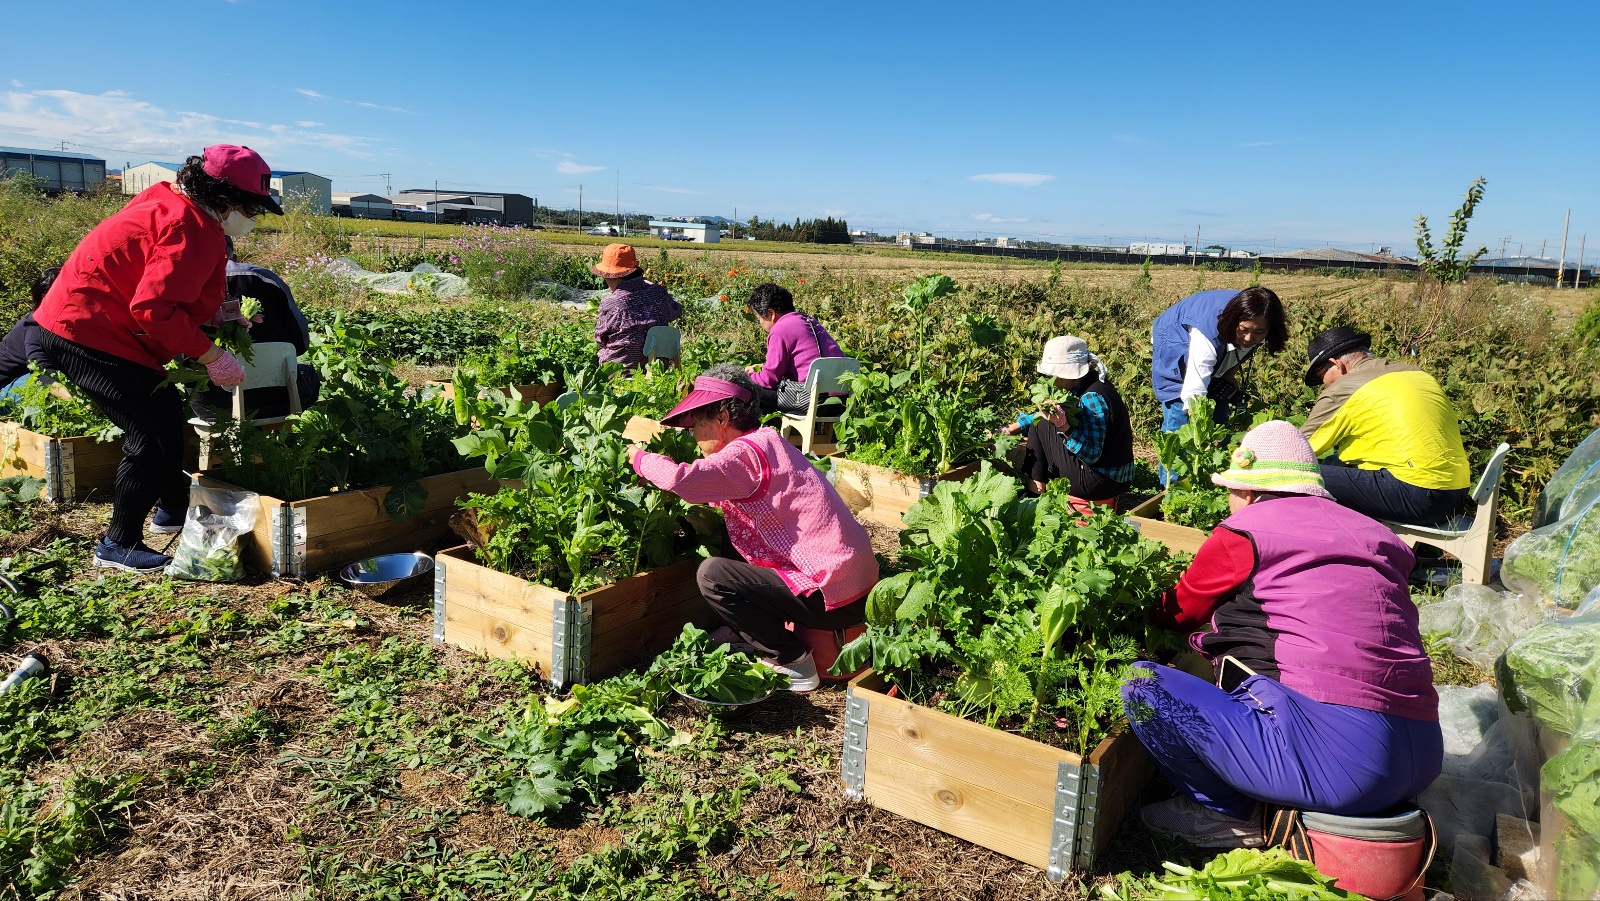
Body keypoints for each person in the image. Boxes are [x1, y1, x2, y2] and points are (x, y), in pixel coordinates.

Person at [1124, 421, 1441, 849]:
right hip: (1422, 758)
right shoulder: (1374, 534)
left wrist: (1130, 609)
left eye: (1230, 491)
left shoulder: (1245, 532)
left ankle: (1226, 815)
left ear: (1248, 492)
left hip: (1343, 770)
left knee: (1142, 685)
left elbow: (1180, 612)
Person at [33, 144, 280, 573]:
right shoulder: (192, 227)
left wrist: (216, 311)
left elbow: (158, 278)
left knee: (164, 416)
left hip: (88, 321)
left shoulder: (170, 200)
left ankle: (170, 509)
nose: (253, 217)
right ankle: (118, 544)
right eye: (250, 207)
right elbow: (152, 309)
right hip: (90, 331)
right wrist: (211, 355)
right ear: (224, 197)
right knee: (148, 433)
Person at [631, 364, 879, 691]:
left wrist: (638, 458)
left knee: (713, 575)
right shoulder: (767, 441)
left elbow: (684, 481)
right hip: (853, 587)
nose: (694, 435)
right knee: (733, 522)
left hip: (831, 596)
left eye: (697, 423)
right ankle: (743, 630)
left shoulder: (743, 454)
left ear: (722, 418)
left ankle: (793, 660)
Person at [1298, 326, 1470, 525]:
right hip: (1456, 495)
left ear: (1337, 364)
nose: (1325, 385)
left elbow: (1294, 448)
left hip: (1417, 495)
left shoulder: (1345, 388)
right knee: (1334, 462)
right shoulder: (1416, 374)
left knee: (1295, 474)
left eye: (1322, 377)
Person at [189, 238, 322, 422]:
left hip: (214, 406)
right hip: (279, 400)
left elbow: (176, 352)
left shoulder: (185, 283)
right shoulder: (264, 278)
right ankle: (287, 436)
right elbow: (300, 342)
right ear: (234, 255)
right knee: (309, 374)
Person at [999, 335, 1135, 502]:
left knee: (1040, 424)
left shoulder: (1092, 398)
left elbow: (1092, 454)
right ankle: (1036, 488)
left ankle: (1035, 492)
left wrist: (1064, 428)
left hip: (1101, 483)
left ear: (1071, 374)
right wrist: (1012, 428)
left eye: (1055, 375)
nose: (1051, 379)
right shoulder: (1088, 384)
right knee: (1040, 420)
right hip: (1113, 478)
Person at [1150, 287, 1287, 431]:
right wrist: (1199, 431)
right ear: (1234, 322)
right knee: (1180, 416)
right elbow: (1195, 388)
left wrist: (1229, 374)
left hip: (1214, 333)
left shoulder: (1262, 320)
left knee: (1219, 418)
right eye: (1244, 330)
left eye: (1259, 332)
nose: (1248, 338)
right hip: (1175, 335)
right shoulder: (1207, 335)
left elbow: (1244, 349)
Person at [743, 282, 843, 414]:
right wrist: (762, 367)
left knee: (743, 392)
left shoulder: (779, 330)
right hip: (840, 401)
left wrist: (747, 376)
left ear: (771, 313)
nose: (760, 323)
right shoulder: (808, 320)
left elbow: (769, 380)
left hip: (812, 402)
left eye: (759, 318)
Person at [592, 243, 682, 369]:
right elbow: (676, 311)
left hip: (620, 370)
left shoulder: (611, 302)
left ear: (610, 276)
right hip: (656, 368)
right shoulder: (658, 293)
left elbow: (600, 339)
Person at [0, 268, 61, 400]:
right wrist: (80, 402)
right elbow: (42, 372)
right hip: (5, 386)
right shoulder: (35, 327)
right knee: (37, 386)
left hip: (17, 378)